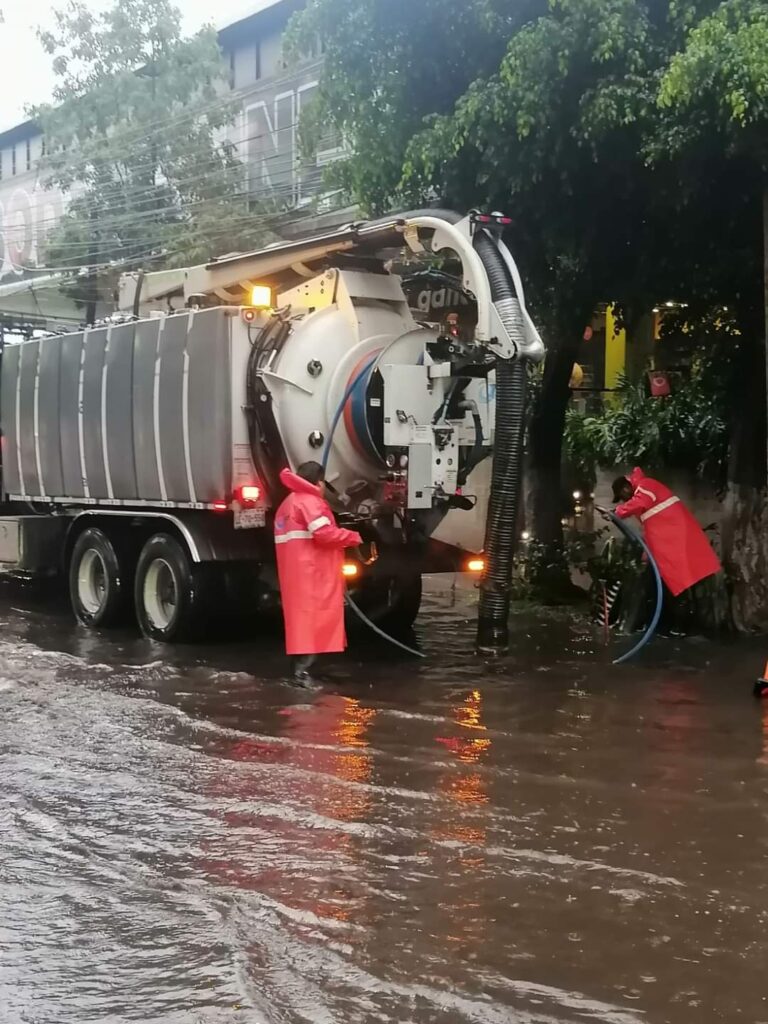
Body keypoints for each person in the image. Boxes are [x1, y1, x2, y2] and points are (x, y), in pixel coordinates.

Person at [274, 461, 363, 684]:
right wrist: (353, 537)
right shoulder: (310, 502)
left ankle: (298, 672)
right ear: (319, 481)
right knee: (314, 624)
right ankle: (302, 675)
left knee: (301, 625)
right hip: (313, 574)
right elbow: (324, 534)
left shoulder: (288, 503)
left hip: (295, 574)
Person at [608, 467, 721, 596]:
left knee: (692, 577)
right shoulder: (642, 498)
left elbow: (640, 502)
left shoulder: (645, 485)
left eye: (622, 497)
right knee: (683, 577)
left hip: (677, 537)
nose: (624, 501)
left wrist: (617, 512)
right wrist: (647, 553)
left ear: (625, 489)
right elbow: (650, 529)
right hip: (672, 540)